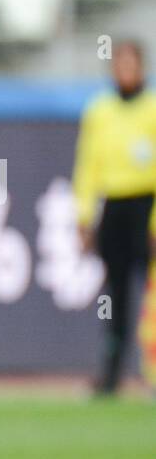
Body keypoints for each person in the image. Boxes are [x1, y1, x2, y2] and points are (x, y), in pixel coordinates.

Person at [73, 39, 156, 395]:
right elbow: (88, 166)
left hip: (147, 205)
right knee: (116, 296)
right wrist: (85, 215)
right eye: (119, 63)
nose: (125, 69)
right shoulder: (100, 111)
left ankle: (151, 371)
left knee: (151, 295)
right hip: (115, 209)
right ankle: (111, 375)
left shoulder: (152, 109)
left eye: (131, 63)